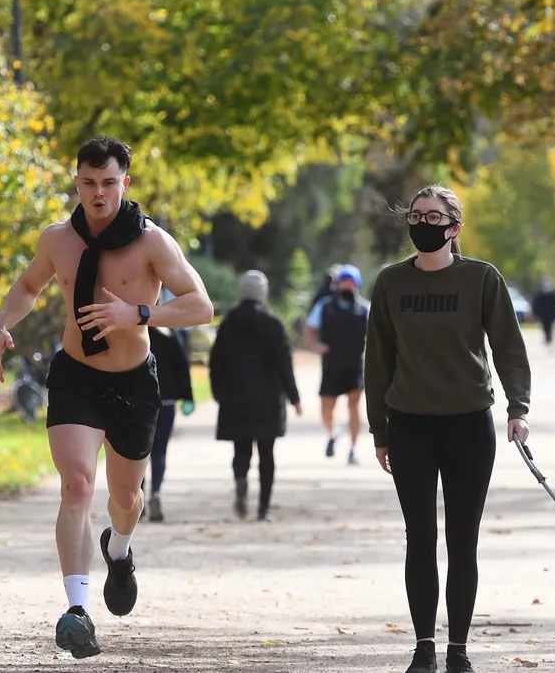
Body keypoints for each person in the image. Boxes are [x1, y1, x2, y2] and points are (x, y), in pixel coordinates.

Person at [0, 135, 214, 659]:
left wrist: (140, 314)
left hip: (134, 381)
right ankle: (77, 611)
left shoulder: (153, 242)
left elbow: (201, 306)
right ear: (77, 183)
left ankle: (120, 549)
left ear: (124, 183)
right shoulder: (58, 239)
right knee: (77, 485)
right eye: (88, 183)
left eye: (108, 182)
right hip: (76, 376)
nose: (98, 193)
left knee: (125, 499)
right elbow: (27, 286)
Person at [364, 184, 533, 673]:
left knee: (463, 539)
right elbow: (378, 360)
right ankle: (423, 647)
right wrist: (380, 431)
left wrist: (518, 408)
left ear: (454, 228)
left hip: (468, 426)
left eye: (434, 217)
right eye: (416, 216)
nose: (423, 224)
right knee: (419, 537)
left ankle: (458, 649)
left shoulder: (481, 279)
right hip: (411, 426)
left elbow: (509, 346)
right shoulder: (391, 282)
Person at [209, 270, 303, 522]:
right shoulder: (272, 324)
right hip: (267, 398)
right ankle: (263, 508)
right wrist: (294, 397)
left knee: (241, 450)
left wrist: (217, 391)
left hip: (235, 396)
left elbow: (216, 360)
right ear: (263, 292)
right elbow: (284, 363)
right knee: (266, 453)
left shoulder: (229, 323)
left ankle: (241, 481)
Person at [303, 264, 370, 464]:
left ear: (357, 285)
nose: (347, 287)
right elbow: (309, 330)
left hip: (355, 364)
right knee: (326, 407)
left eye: (351, 283)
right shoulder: (324, 306)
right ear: (337, 284)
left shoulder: (365, 308)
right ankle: (332, 434)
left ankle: (353, 448)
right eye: (344, 283)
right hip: (331, 364)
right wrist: (315, 346)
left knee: (354, 405)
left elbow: (378, 333)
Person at [143, 325, 195, 523]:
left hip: (138, 399)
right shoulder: (169, 334)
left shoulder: (129, 330)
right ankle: (155, 493)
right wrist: (188, 397)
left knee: (136, 452)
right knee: (159, 450)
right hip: (167, 398)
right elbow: (182, 365)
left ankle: (136, 498)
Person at [531, 277, 555, 352]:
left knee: (550, 326)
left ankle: (549, 337)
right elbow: (536, 304)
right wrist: (535, 313)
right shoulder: (540, 295)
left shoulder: (553, 294)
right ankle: (547, 337)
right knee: (545, 326)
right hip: (543, 314)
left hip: (550, 314)